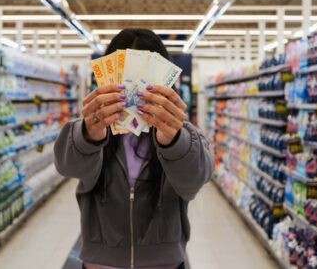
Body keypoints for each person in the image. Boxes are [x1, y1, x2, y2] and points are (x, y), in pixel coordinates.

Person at [54, 28, 213, 269]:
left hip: (164, 263)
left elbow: (195, 180)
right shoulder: (93, 128)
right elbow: (67, 166)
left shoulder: (182, 133)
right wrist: (88, 134)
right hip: (100, 263)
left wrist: (173, 140)